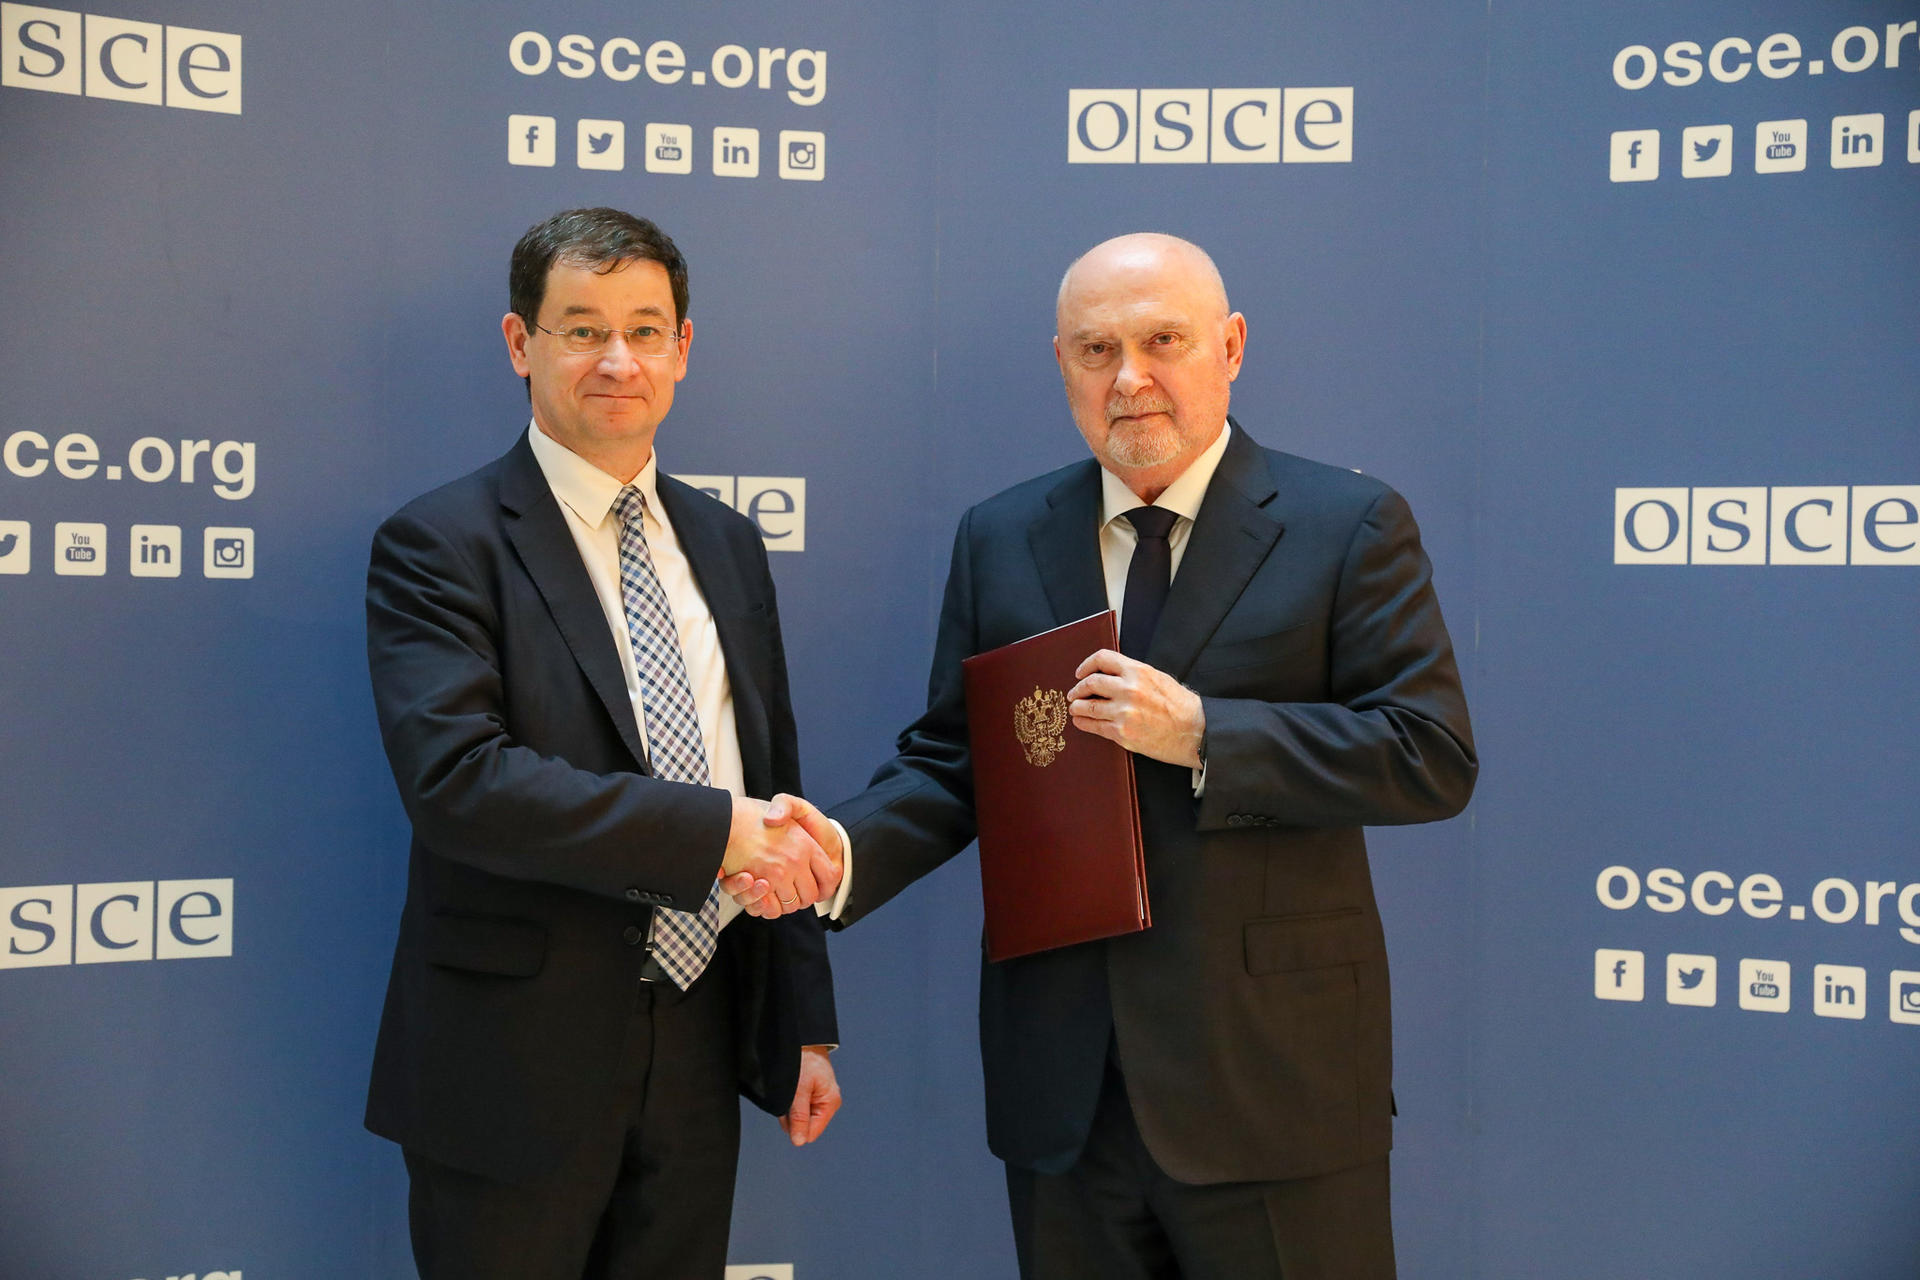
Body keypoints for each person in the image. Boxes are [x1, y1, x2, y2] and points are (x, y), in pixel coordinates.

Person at [757, 232, 1476, 1278]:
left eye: (1162, 340)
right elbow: (956, 759)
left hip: (1274, 1083)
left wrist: (1205, 733)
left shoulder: (1347, 522)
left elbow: (1427, 751)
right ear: (1063, 364)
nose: (1129, 377)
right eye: (1097, 350)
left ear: (1231, 346)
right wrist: (843, 846)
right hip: (1065, 1090)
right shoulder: (1002, 533)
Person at [363, 207, 845, 1280]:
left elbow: (772, 781)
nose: (618, 360)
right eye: (582, 329)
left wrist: (804, 1021)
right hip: (510, 1062)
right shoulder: (440, 543)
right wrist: (717, 833)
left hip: (701, 1039)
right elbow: (459, 783)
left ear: (683, 347)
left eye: (645, 329)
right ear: (519, 342)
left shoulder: (728, 542)